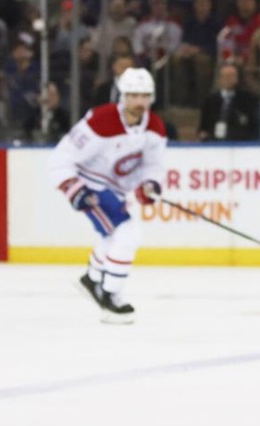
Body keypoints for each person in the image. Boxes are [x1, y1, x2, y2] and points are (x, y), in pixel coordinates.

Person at [50, 67, 167, 324]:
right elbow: (62, 156)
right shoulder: (101, 120)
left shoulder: (155, 126)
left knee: (115, 236)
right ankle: (110, 294)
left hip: (115, 190)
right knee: (128, 233)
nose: (139, 101)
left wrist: (149, 185)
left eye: (144, 95)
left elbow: (153, 166)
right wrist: (73, 188)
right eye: (133, 95)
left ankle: (92, 279)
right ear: (123, 96)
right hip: (88, 183)